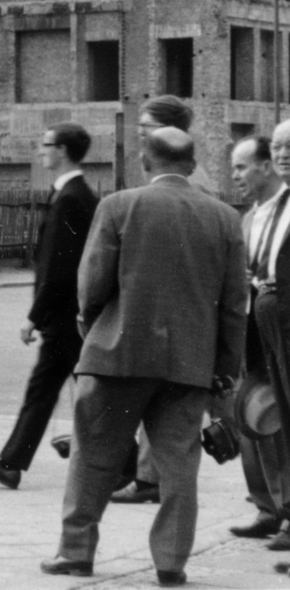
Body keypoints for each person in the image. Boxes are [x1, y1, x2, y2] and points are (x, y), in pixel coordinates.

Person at [41, 128, 248, 585]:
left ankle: (76, 552)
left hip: (117, 354)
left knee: (93, 456)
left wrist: (92, 326)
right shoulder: (225, 218)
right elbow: (235, 304)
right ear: (192, 165)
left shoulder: (119, 205)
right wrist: (224, 368)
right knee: (179, 467)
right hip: (189, 363)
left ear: (144, 161)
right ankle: (171, 563)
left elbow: (92, 282)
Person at [0, 123, 99, 489]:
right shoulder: (75, 193)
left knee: (72, 395)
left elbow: (59, 267)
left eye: (46, 144)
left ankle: (131, 466)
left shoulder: (70, 198)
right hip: (70, 317)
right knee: (60, 393)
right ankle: (11, 463)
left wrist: (34, 317)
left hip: (64, 318)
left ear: (63, 151)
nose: (40, 150)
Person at [114, 94, 209, 505]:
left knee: (172, 404)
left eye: (146, 128)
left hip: (177, 310)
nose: (139, 135)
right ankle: (150, 477)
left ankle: (155, 481)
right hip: (169, 308)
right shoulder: (173, 176)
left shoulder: (191, 184)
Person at [228, 133, 290, 546]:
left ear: (264, 167)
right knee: (255, 411)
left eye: (241, 166)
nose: (235, 176)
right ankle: (269, 506)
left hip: (281, 322)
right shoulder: (250, 217)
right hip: (253, 326)